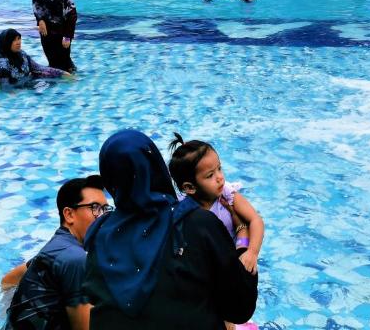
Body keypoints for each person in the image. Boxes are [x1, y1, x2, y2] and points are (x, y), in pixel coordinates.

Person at [83, 130, 258, 330]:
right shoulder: (197, 224)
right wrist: (243, 237)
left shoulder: (99, 237)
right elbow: (239, 307)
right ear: (156, 166)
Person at [5, 175, 110, 330]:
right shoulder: (75, 258)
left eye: (106, 209)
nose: (103, 216)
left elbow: (8, 281)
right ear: (69, 214)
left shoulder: (57, 247)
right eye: (95, 208)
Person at [167, 134, 264, 276]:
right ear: (190, 187)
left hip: (233, 257)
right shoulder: (183, 209)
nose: (220, 177)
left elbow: (256, 220)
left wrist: (252, 252)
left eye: (219, 168)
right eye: (210, 175)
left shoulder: (227, 194)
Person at [33, 0, 78, 72]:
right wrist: (40, 20)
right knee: (51, 59)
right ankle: (54, 82)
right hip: (46, 28)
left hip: (63, 29)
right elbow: (36, 5)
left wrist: (67, 36)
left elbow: (72, 15)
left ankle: (71, 78)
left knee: (64, 60)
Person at [0, 29, 66, 87]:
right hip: (18, 90)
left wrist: (62, 73)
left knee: (56, 82)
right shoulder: (2, 64)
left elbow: (38, 67)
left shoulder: (22, 54)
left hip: (29, 83)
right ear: (6, 43)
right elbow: (6, 87)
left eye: (19, 39)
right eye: (14, 40)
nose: (18, 42)